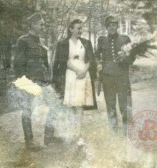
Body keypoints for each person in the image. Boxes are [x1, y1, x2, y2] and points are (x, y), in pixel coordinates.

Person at [14, 13, 59, 150]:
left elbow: (45, 63)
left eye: (43, 24)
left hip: (43, 80)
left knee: (55, 104)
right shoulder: (23, 41)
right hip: (30, 81)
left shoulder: (42, 41)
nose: (43, 26)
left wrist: (49, 79)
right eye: (41, 24)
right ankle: (29, 141)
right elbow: (18, 64)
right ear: (33, 24)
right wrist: (23, 83)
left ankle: (49, 135)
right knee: (28, 110)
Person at [53, 19, 97, 142]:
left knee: (79, 105)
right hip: (70, 76)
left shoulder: (86, 43)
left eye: (81, 28)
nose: (80, 31)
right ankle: (70, 132)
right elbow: (62, 61)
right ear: (71, 29)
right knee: (70, 104)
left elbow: (90, 60)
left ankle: (78, 133)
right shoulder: (63, 43)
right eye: (78, 28)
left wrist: (84, 71)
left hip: (84, 76)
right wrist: (77, 71)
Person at [95, 16, 136, 135]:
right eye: (109, 25)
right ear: (106, 27)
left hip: (122, 76)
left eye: (114, 25)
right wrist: (98, 65)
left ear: (117, 26)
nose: (112, 27)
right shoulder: (102, 40)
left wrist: (126, 58)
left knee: (125, 104)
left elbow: (132, 57)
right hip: (108, 77)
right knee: (110, 104)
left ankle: (127, 130)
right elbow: (96, 55)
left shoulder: (125, 39)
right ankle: (114, 131)